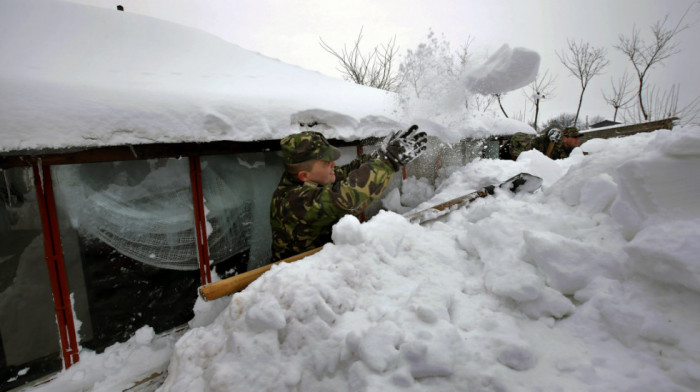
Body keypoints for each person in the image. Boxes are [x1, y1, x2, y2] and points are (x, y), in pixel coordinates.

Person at [270, 125, 428, 260]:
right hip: (299, 281)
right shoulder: (294, 202)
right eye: (326, 162)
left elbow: (347, 172)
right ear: (304, 175)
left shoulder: (312, 178)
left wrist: (380, 155)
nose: (334, 164)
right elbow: (346, 197)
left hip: (326, 266)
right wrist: (389, 162)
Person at [508, 127, 582, 160]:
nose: (578, 139)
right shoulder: (553, 144)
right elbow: (540, 140)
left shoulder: (577, 153)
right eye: (574, 137)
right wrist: (550, 132)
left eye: (578, 137)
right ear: (565, 138)